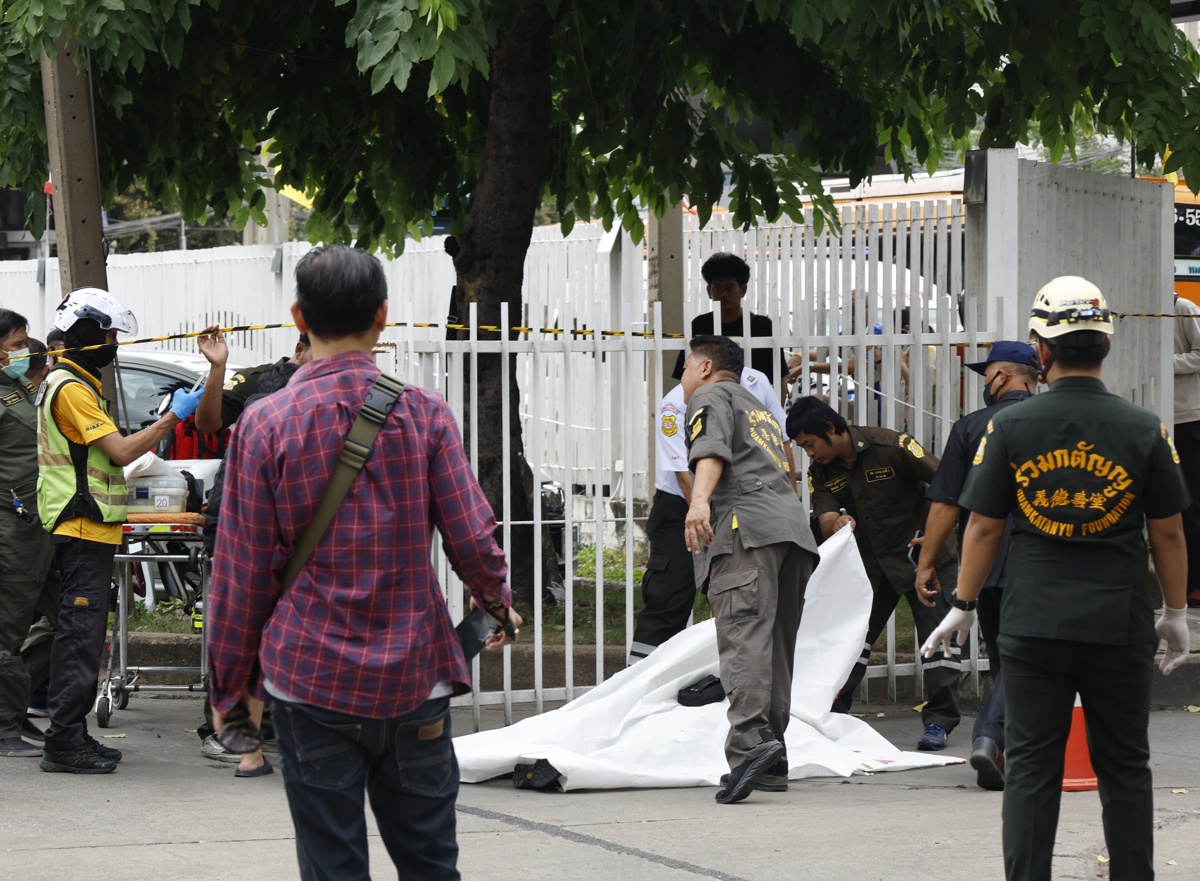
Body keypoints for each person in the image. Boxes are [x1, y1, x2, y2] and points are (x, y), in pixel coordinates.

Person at [207, 245, 521, 880]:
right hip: (415, 678)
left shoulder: (264, 426)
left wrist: (230, 690)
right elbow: (472, 535)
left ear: (298, 315)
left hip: (307, 679)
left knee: (333, 865)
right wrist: (494, 599)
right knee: (431, 863)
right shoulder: (424, 413)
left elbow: (239, 577)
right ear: (383, 315)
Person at [922, 276, 1191, 881]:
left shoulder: (1008, 429)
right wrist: (1173, 613)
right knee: (1125, 766)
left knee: (1035, 767)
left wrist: (964, 603)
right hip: (1117, 622)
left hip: (1033, 623)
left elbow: (984, 528)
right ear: (1107, 345)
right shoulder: (1145, 428)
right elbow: (1168, 532)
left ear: (1040, 350)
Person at [36, 288, 206, 774]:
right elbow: (123, 452)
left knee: (84, 638)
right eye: (108, 333)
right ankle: (64, 743)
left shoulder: (76, 382)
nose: (113, 342)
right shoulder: (70, 387)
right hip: (82, 526)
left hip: (90, 527)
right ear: (87, 333)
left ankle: (72, 735)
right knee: (78, 639)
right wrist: (174, 417)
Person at [681, 335, 818, 803]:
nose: (682, 381)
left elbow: (711, 450)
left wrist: (699, 502)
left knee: (744, 637)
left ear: (703, 368)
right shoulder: (758, 407)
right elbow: (786, 466)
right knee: (776, 645)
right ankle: (773, 758)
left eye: (684, 369)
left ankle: (749, 745)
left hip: (747, 530)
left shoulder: (708, 395)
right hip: (792, 534)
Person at [788, 395, 962, 751]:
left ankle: (939, 724)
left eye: (810, 444)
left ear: (832, 429)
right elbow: (821, 515)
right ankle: (830, 716)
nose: (809, 453)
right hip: (873, 567)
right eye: (803, 448)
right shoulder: (821, 471)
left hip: (924, 559)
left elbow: (948, 482)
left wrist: (937, 531)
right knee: (851, 642)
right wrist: (835, 521)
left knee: (937, 643)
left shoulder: (892, 445)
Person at [915, 340, 1038, 790]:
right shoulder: (1051, 422)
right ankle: (995, 741)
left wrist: (926, 563)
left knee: (1009, 657)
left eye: (987, 375)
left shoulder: (972, 426)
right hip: (1042, 559)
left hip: (984, 564)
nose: (985, 384)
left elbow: (946, 504)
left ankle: (993, 742)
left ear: (1002, 376)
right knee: (1025, 660)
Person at [629, 365, 794, 664]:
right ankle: (638, 683)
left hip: (744, 504)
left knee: (739, 597)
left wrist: (790, 499)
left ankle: (723, 685)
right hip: (687, 504)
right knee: (669, 596)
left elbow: (779, 442)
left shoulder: (757, 385)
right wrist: (706, 520)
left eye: (687, 366)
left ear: (706, 367)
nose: (681, 375)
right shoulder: (675, 403)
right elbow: (685, 476)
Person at [0, 312, 59, 758]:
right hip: (12, 527)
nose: (24, 351)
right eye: (16, 344)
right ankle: (3, 727)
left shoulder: (19, 388)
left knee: (69, 621)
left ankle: (15, 708)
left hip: (44, 522)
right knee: (7, 628)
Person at [672, 253, 786, 386]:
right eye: (717, 287)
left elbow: (780, 376)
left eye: (730, 287)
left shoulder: (762, 326)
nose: (723, 293)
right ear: (709, 291)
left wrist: (775, 407)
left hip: (754, 403)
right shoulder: (699, 325)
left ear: (743, 290)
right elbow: (684, 376)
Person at [192, 330, 311, 433]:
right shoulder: (257, 379)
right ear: (300, 350)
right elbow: (207, 424)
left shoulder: (325, 388)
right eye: (321, 355)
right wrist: (217, 366)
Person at [1172, 292, 1200, 608]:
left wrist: (1165, 362)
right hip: (1164, 414)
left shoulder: (1183, 308)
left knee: (1191, 504)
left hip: (1188, 418)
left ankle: (1196, 583)